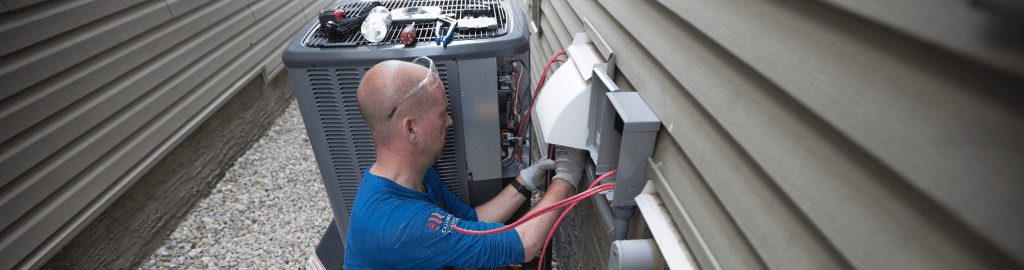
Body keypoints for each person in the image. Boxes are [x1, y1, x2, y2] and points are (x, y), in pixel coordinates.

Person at [344, 56, 586, 270]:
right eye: (442, 113)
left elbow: (473, 220)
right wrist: (567, 176)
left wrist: (525, 181)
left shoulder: (417, 176)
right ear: (411, 128)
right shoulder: (403, 225)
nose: (449, 121)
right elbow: (525, 245)